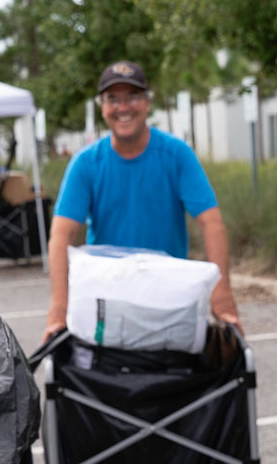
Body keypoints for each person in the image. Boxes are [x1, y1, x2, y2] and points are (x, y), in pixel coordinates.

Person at [43, 61, 238, 339]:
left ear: (147, 103)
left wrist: (221, 297)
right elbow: (61, 235)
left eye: (133, 97)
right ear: (102, 107)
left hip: (169, 299)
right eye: (113, 99)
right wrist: (59, 310)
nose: (123, 107)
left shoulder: (176, 154)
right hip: (108, 300)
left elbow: (211, 223)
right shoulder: (86, 163)